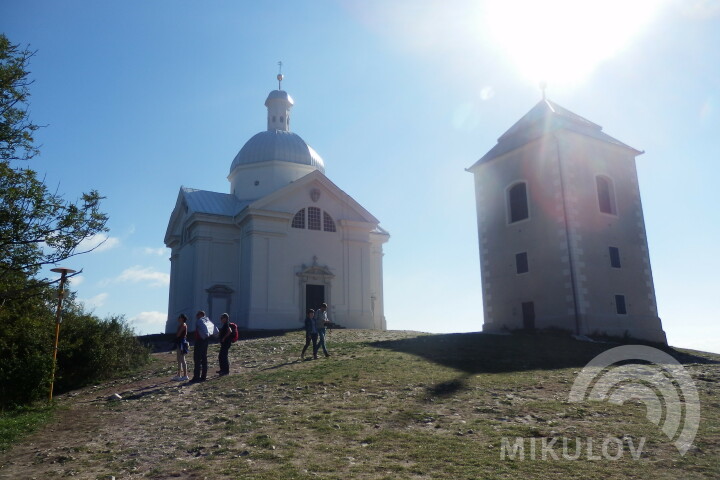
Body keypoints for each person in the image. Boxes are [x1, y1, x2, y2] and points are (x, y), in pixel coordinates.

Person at [190, 310, 215, 382]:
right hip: (206, 341)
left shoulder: (200, 321)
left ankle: (196, 377)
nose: (196, 316)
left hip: (199, 341)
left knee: (197, 359)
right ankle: (203, 376)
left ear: (201, 315)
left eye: (197, 314)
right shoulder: (207, 321)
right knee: (204, 358)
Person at [173, 314, 189, 381]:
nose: (178, 318)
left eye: (179, 317)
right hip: (180, 342)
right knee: (179, 359)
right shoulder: (181, 325)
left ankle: (185, 375)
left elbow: (178, 334)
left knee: (182, 359)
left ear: (182, 318)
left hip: (181, 343)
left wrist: (176, 336)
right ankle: (179, 374)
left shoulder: (183, 325)